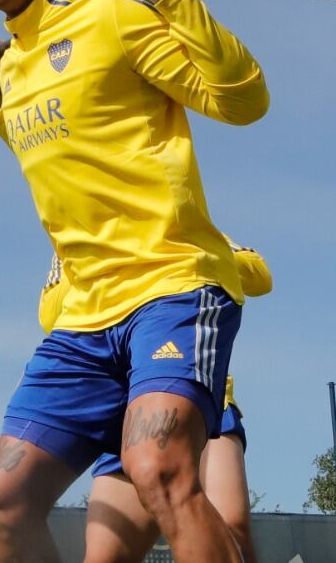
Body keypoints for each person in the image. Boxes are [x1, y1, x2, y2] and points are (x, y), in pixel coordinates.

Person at [0, 0, 269, 563]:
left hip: (172, 283)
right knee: (2, 505)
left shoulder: (113, 16)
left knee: (159, 467)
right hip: (81, 318)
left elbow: (243, 99)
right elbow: (55, 153)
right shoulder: (13, 66)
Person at [37, 238, 272, 563]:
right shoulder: (72, 239)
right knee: (105, 556)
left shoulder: (177, 222)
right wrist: (115, 269)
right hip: (125, 411)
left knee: (232, 525)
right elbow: (51, 316)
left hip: (199, 396)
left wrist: (177, 259)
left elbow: (259, 274)